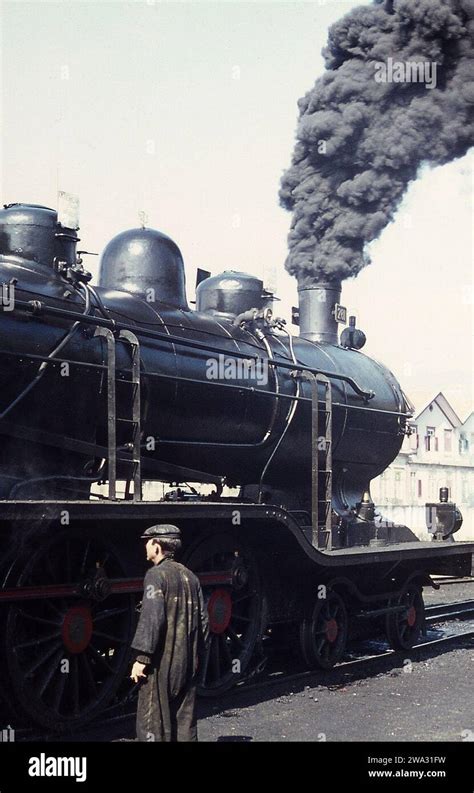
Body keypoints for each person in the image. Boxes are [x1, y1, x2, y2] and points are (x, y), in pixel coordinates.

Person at [130, 524, 209, 742]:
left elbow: (152, 617)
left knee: (152, 723)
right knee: (185, 723)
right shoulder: (191, 577)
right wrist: (197, 657)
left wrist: (141, 658)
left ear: (157, 546)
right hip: (188, 662)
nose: (145, 546)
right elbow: (204, 622)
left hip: (161, 663)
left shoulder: (155, 576)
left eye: (148, 541)